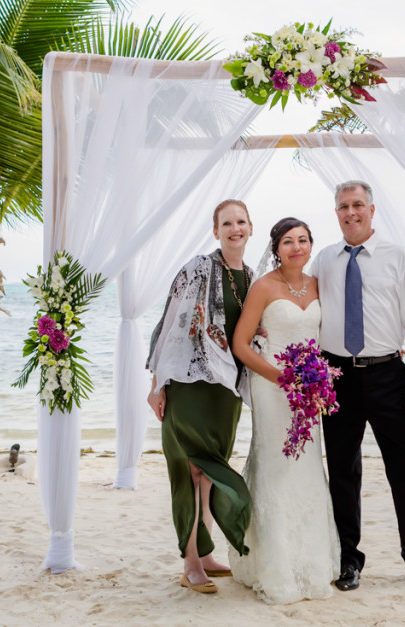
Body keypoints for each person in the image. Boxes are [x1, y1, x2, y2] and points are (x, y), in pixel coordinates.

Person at [313, 180, 405, 592]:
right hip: (336, 377)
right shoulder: (323, 260)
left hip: (389, 375)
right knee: (342, 471)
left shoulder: (399, 258)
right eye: (342, 206)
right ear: (335, 212)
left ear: (372, 210)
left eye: (357, 205)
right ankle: (348, 561)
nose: (350, 212)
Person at [145, 199, 255, 595]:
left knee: (210, 475)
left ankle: (206, 554)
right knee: (190, 472)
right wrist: (156, 384)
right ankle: (191, 561)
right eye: (227, 223)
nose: (235, 229)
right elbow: (169, 323)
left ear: (250, 228)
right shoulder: (197, 269)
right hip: (190, 387)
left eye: (241, 221)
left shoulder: (253, 278)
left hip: (226, 393)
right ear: (216, 231)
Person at [228, 217, 339, 604]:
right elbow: (241, 345)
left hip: (308, 393)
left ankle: (310, 564)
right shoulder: (264, 287)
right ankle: (274, 568)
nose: (296, 247)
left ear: (311, 246)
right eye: (288, 241)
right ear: (276, 248)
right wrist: (282, 379)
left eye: (303, 240)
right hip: (273, 388)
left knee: (306, 468)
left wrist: (315, 380)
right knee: (275, 468)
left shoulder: (318, 285)